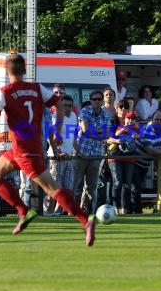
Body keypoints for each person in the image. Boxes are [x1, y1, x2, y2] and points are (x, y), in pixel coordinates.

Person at [0, 53, 96, 245]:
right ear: (24, 69)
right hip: (22, 148)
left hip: (25, 151)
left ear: (6, 70)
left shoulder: (5, 92)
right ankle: (24, 211)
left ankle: (85, 220)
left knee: (52, 189)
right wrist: (57, 131)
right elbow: (59, 104)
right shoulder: (36, 88)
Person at [72, 89, 111, 217]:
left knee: (91, 186)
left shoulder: (106, 114)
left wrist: (93, 132)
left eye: (99, 99)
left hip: (96, 154)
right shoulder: (84, 111)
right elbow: (85, 130)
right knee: (75, 184)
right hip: (81, 153)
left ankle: (86, 211)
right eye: (95, 99)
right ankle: (70, 210)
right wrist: (98, 132)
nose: (97, 101)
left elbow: (107, 134)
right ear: (91, 101)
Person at [132, 111, 161, 214]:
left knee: (137, 187)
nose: (159, 122)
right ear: (151, 120)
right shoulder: (146, 131)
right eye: (156, 119)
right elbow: (151, 151)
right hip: (134, 162)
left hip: (144, 164)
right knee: (136, 187)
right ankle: (135, 211)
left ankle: (135, 210)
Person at [48, 95, 78, 216]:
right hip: (57, 157)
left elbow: (74, 136)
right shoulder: (55, 118)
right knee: (55, 186)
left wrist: (77, 150)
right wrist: (58, 151)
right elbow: (49, 137)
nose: (67, 108)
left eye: (69, 105)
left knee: (68, 186)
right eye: (64, 105)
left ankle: (57, 211)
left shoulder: (74, 116)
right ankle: (49, 211)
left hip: (69, 157)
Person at [107, 110, 138, 214]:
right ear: (124, 119)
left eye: (133, 119)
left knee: (127, 184)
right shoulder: (119, 127)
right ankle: (116, 208)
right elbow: (113, 137)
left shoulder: (136, 129)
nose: (130, 121)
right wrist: (122, 130)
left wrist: (129, 131)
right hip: (116, 157)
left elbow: (138, 136)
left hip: (129, 158)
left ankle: (125, 208)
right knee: (117, 183)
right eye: (129, 118)